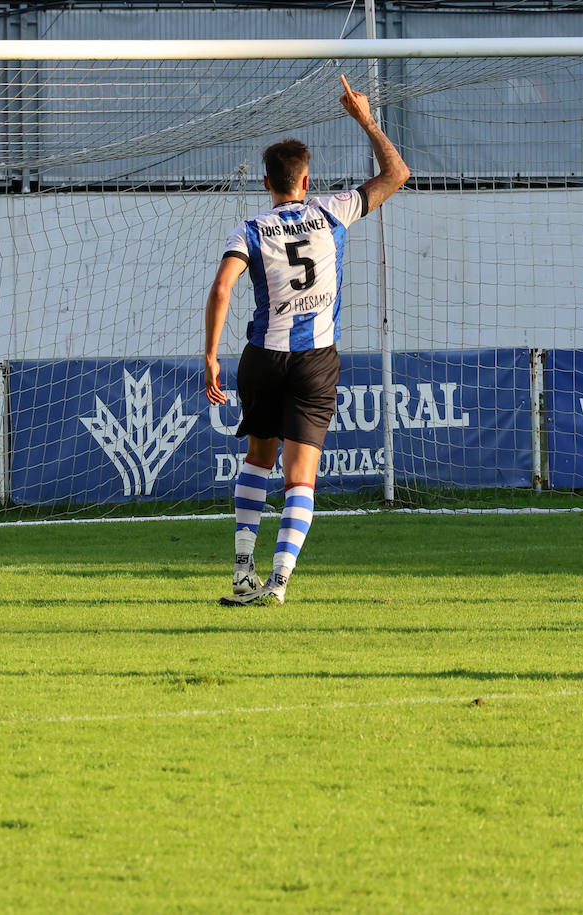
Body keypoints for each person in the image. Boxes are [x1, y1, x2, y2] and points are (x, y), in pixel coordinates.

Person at [204, 76, 409, 606]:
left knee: (257, 460)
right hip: (316, 360)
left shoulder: (248, 228)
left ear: (267, 181)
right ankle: (279, 583)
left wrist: (209, 356)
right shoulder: (331, 210)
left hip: (262, 357)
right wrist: (364, 118)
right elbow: (397, 174)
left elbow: (223, 287)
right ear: (305, 179)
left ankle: (241, 568)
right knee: (301, 478)